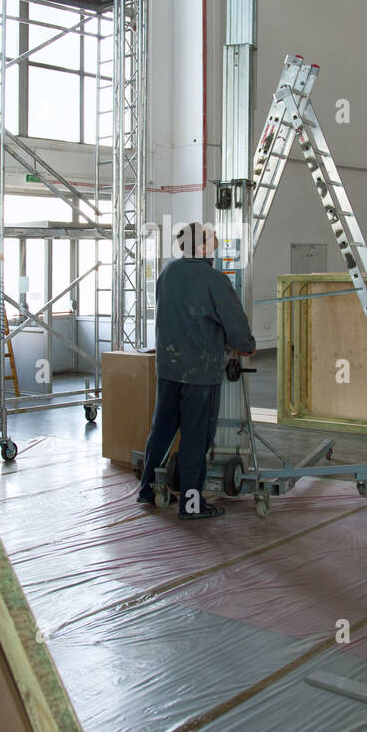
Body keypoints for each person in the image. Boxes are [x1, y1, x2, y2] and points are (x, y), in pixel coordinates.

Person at [138, 221, 256, 519]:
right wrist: (246, 345)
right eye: (211, 236)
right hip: (200, 371)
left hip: (168, 366)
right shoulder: (214, 279)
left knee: (162, 429)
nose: (216, 238)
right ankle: (191, 505)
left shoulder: (168, 272)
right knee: (195, 437)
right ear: (201, 246)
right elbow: (236, 326)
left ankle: (147, 489)